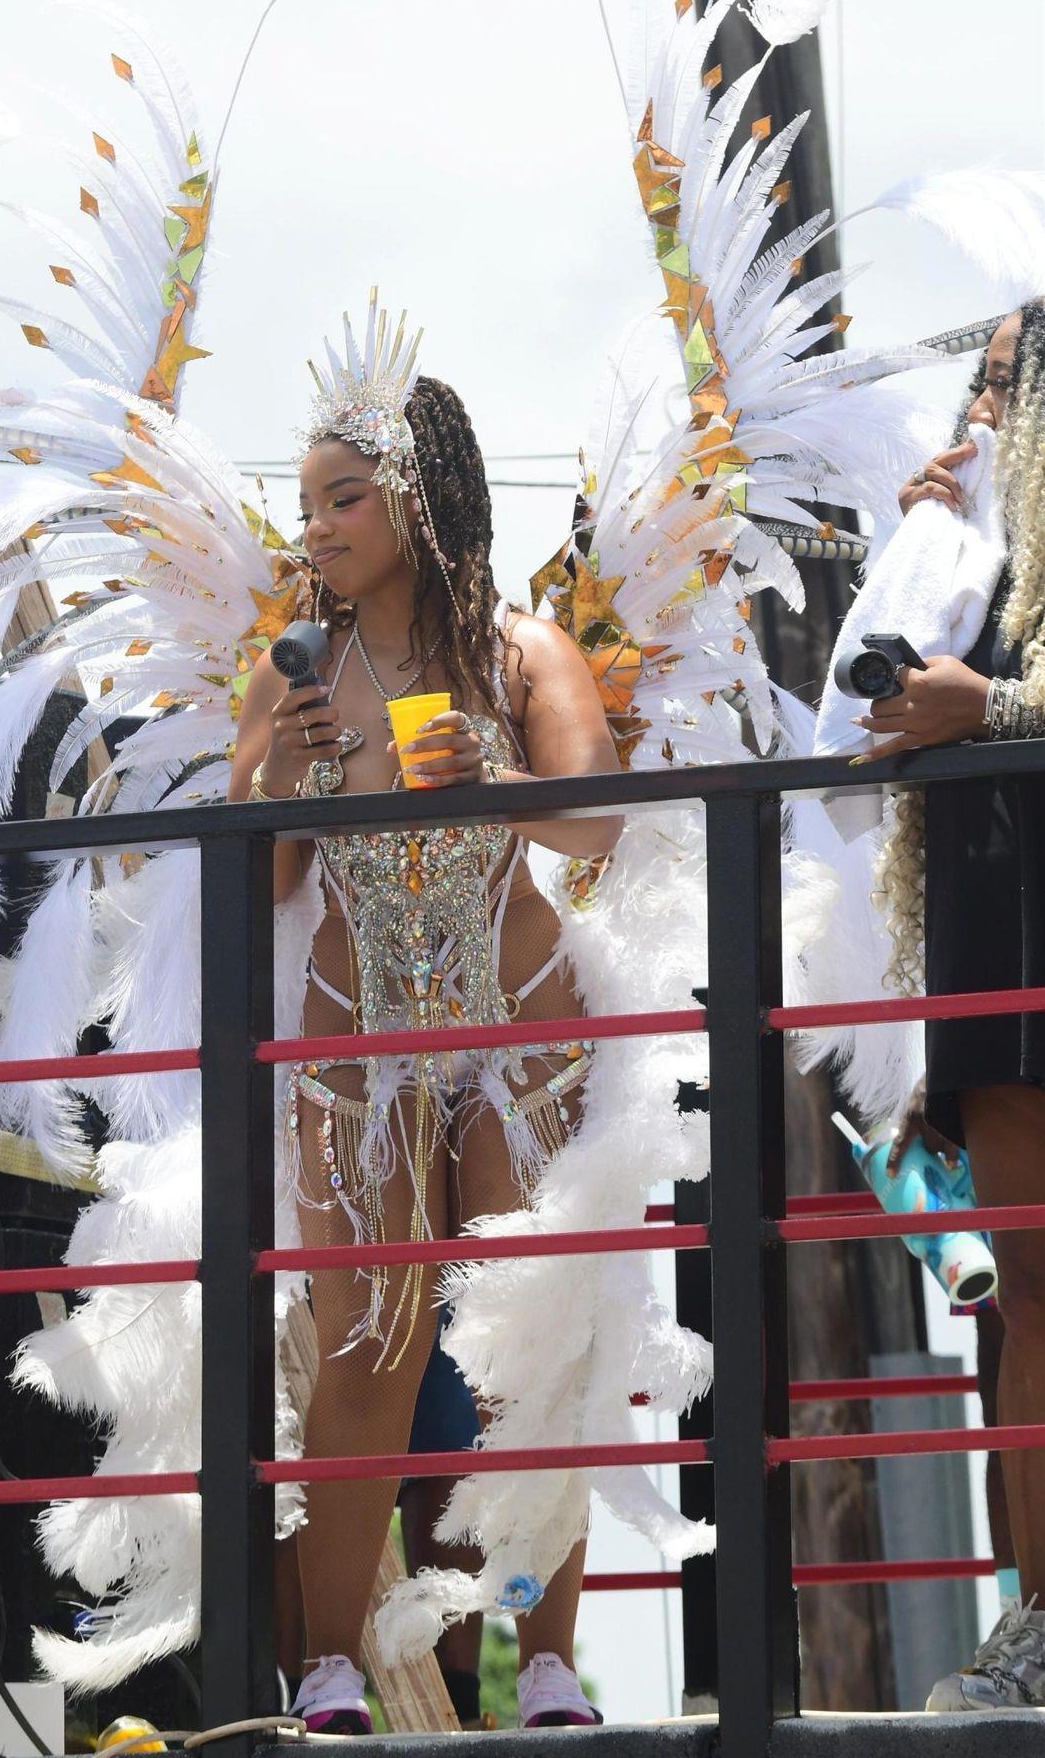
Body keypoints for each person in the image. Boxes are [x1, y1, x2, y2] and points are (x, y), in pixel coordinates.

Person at [228, 325, 621, 1734]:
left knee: (534, 1343)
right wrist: (278, 781)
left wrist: (495, 771)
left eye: (343, 497)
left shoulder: (522, 651)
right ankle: (330, 1664)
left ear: (418, 499)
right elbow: (260, 883)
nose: (317, 526)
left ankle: (546, 1666)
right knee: (366, 1350)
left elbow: (595, 822)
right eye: (306, 503)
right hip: (358, 1047)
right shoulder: (288, 675)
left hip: (520, 1041)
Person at [857, 298, 1045, 1710]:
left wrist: (996, 709)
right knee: (1028, 1291)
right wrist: (924, 551)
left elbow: (992, 704)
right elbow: (876, 711)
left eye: (1003, 378)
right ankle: (1036, 1624)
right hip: (994, 902)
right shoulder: (980, 523)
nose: (980, 402)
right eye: (980, 379)